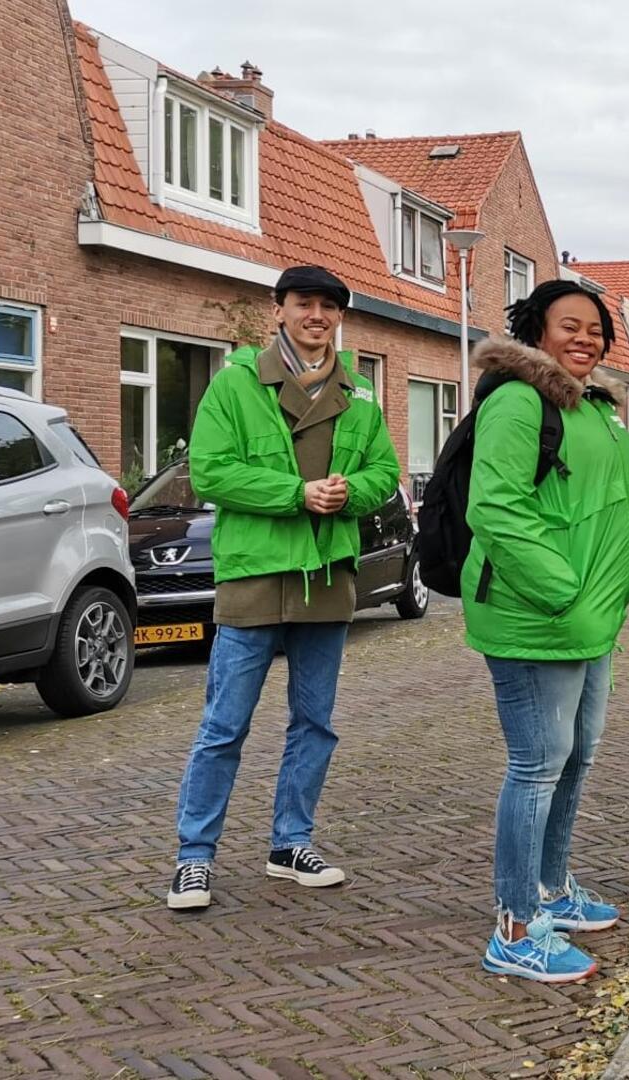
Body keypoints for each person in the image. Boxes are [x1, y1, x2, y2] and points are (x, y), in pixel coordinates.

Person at [167, 266, 400, 911]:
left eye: (329, 307)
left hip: (326, 577)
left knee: (315, 722)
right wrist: (295, 495)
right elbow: (210, 471)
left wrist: (353, 490)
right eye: (304, 304)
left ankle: (290, 842)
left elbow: (385, 472)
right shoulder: (236, 385)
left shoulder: (360, 396)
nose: (316, 316)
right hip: (254, 574)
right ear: (279, 311)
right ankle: (194, 857)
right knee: (224, 723)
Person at [465, 281, 629, 981]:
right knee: (537, 764)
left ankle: (552, 889)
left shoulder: (590, 404)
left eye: (597, 329)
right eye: (570, 325)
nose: (586, 338)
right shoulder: (517, 399)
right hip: (537, 615)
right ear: (537, 329)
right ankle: (512, 926)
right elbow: (498, 509)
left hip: (588, 620)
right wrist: (564, 593)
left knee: (576, 755)